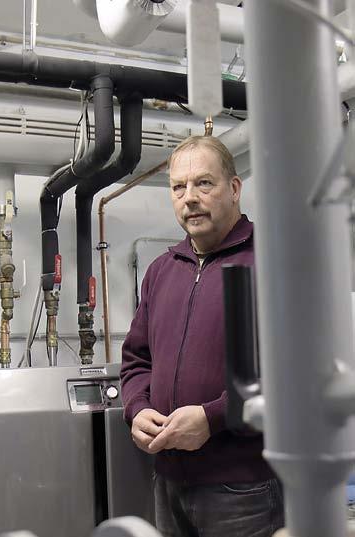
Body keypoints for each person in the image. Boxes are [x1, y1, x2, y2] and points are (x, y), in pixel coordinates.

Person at [120, 135, 284, 537]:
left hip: (244, 488)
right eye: (179, 187)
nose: (190, 197)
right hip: (168, 483)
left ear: (234, 188)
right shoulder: (161, 271)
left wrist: (212, 419)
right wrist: (137, 408)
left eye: (204, 183)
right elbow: (137, 359)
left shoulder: (272, 260)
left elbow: (293, 371)